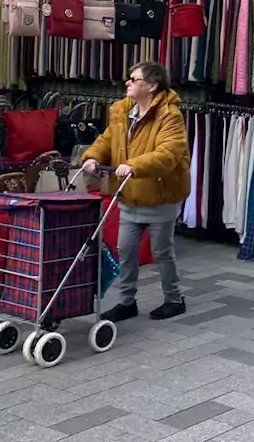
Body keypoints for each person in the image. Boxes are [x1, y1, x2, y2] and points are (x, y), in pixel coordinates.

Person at [83, 62, 191, 322]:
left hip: (160, 195)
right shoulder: (123, 112)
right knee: (125, 249)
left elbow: (169, 154)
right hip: (130, 194)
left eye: (134, 79)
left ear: (151, 86)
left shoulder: (170, 116)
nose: (128, 83)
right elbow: (107, 139)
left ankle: (174, 299)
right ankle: (126, 301)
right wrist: (92, 156)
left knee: (162, 251)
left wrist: (132, 165)